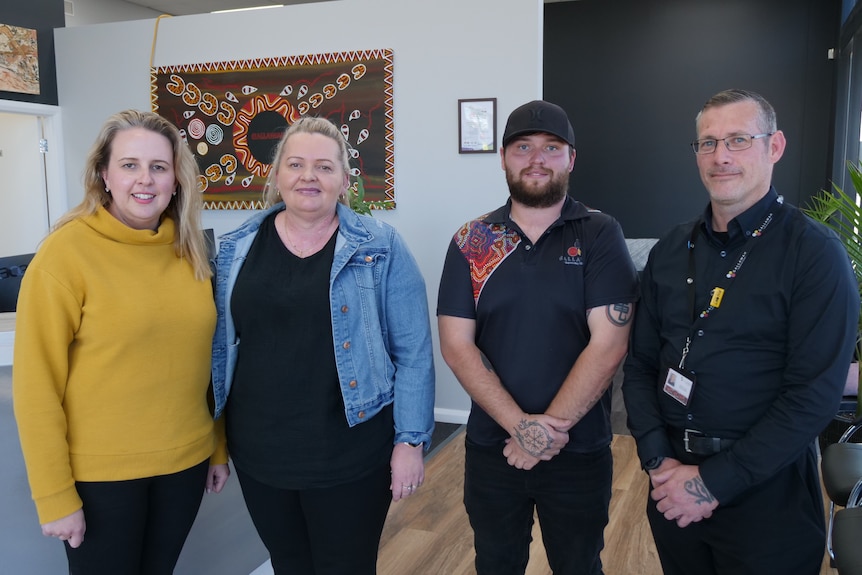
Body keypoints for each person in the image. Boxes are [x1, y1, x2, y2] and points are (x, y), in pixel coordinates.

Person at [622, 88, 860, 575]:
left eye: (737, 140)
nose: (720, 156)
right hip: (672, 485)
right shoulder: (670, 250)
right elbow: (641, 365)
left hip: (766, 495)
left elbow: (811, 397)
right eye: (707, 143)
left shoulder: (814, 255)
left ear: (774, 147)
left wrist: (712, 483)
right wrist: (658, 462)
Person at [211, 116, 435, 575]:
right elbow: (220, 349)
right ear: (276, 177)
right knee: (290, 565)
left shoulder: (380, 247)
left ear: (344, 181)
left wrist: (410, 441)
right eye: (295, 164)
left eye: (324, 167)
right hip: (260, 454)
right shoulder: (237, 248)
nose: (308, 176)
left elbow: (413, 352)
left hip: (350, 454)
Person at [12, 109, 229, 574]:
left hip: (183, 466)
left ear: (177, 178)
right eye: (129, 165)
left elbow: (204, 363)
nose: (144, 180)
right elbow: (36, 389)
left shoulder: (189, 250)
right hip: (100, 478)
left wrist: (216, 446)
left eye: (158, 166)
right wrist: (53, 496)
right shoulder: (65, 254)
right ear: (104, 175)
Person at [437, 100, 638, 575]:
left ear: (571, 159)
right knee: (496, 563)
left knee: (579, 565)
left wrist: (545, 431)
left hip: (579, 450)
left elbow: (609, 344)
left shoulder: (599, 233)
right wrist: (520, 428)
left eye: (552, 148)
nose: (537, 159)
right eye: (523, 147)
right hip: (492, 445)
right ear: (503, 157)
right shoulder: (474, 240)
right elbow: (456, 345)